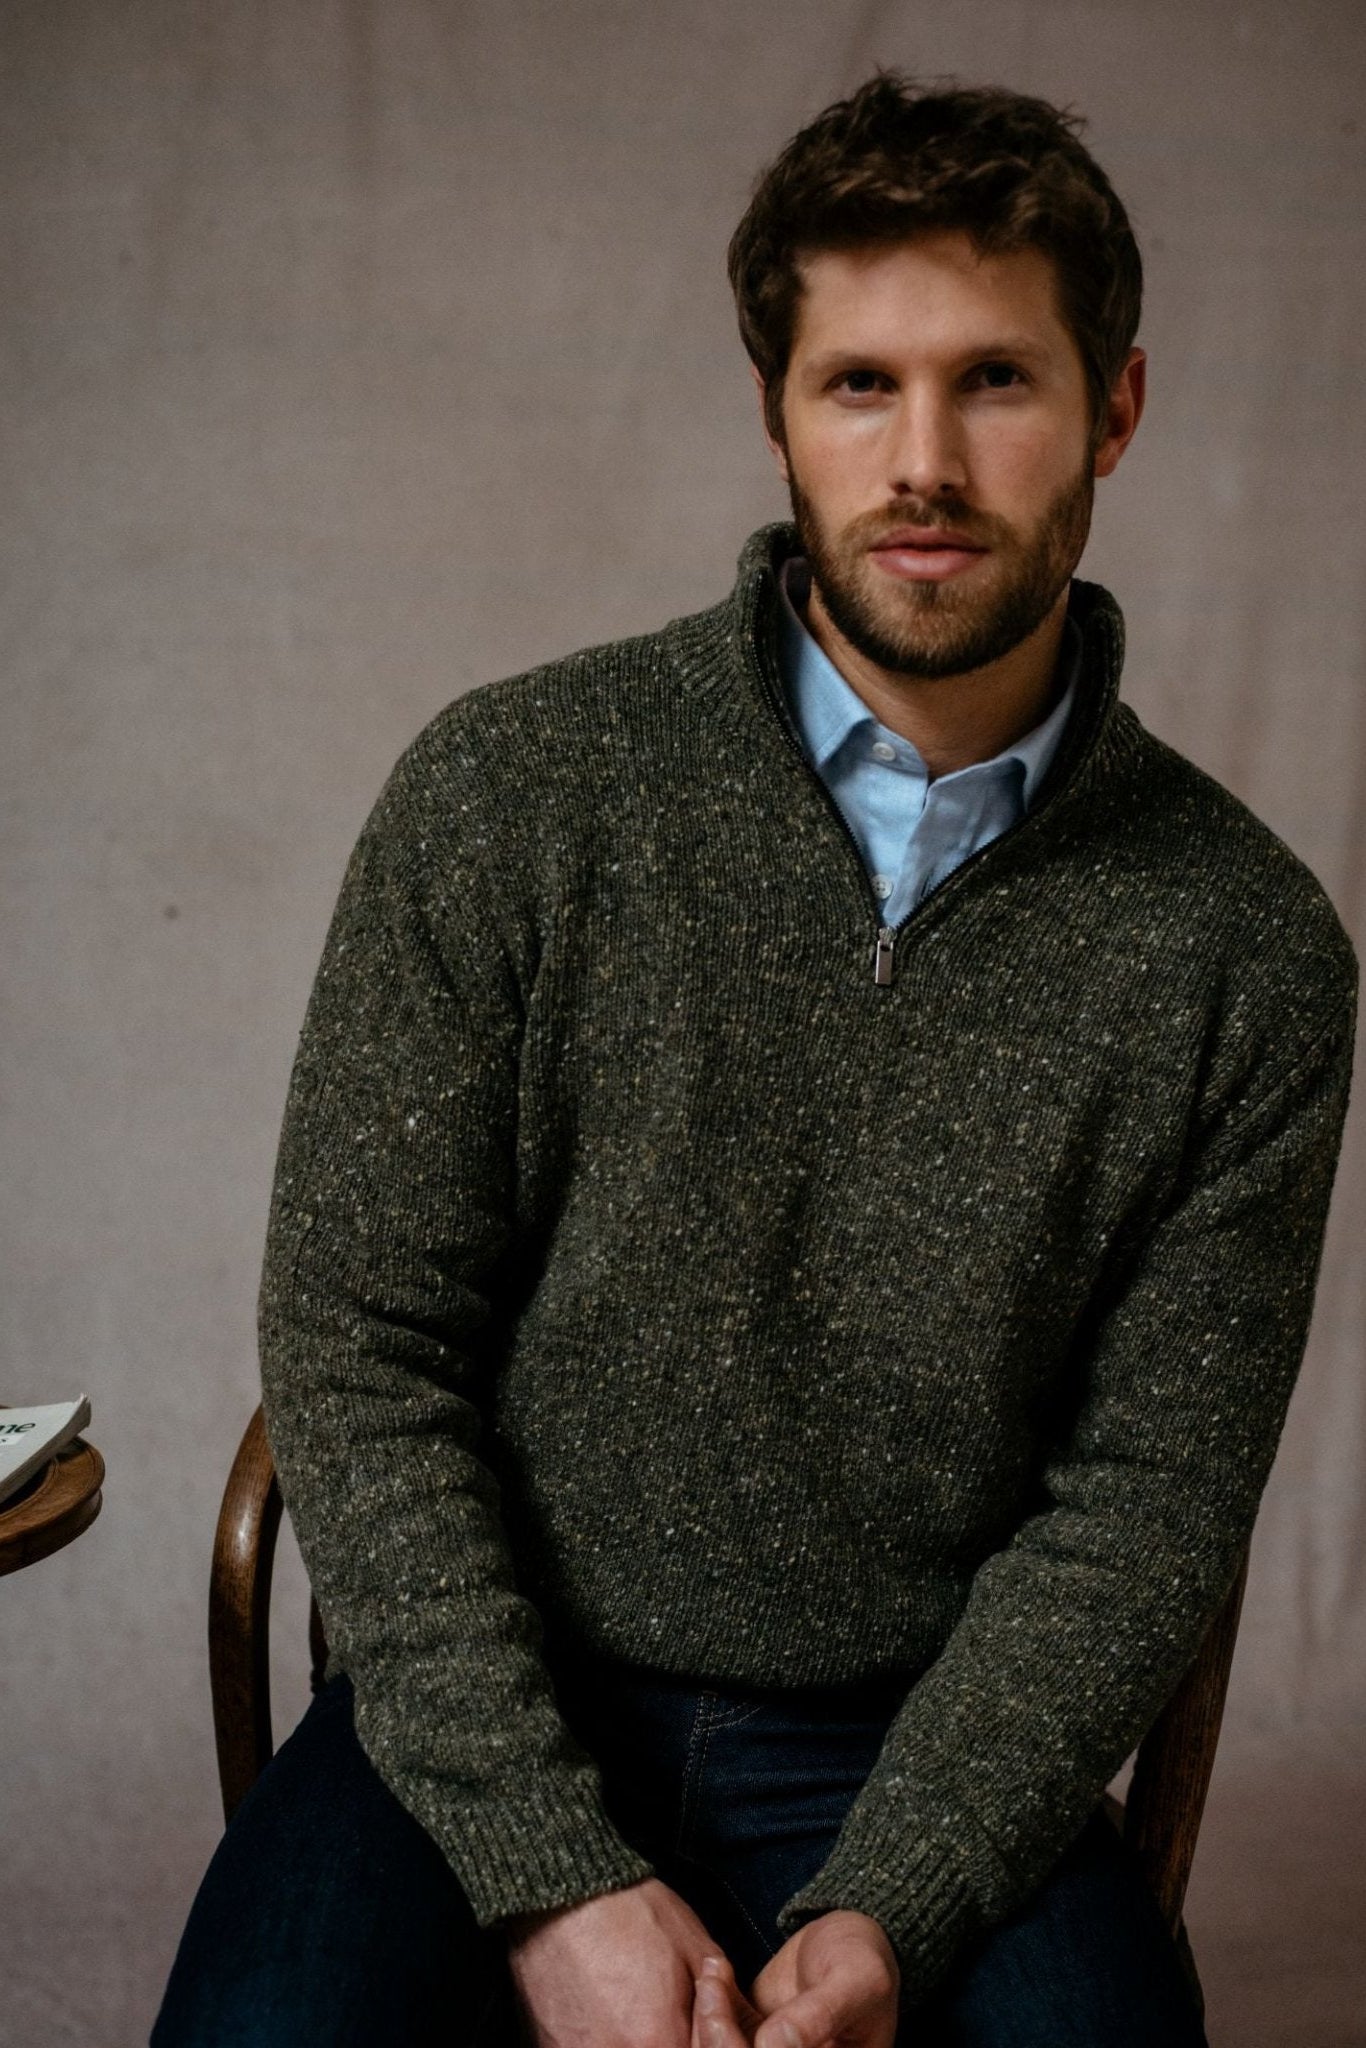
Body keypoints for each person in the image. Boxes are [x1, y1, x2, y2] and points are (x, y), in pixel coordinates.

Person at [153, 72, 1357, 2048]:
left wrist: (898, 1893)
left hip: (917, 1732)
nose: (924, 459)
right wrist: (547, 1869)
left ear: (1112, 411)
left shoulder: (1241, 948)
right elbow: (360, 1354)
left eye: (995, 380)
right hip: (492, 1693)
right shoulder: (510, 798)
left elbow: (1143, 1494)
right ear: (773, 410)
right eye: (857, 384)